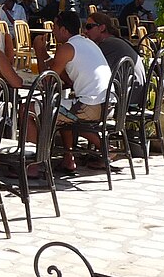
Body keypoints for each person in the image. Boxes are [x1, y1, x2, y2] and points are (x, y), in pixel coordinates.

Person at [33, 10, 112, 174]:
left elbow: (46, 81)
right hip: (106, 104)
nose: (52, 31)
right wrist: (46, 55)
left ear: (63, 30)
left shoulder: (67, 48)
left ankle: (33, 163)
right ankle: (69, 159)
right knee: (63, 109)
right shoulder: (87, 43)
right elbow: (67, 78)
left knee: (28, 109)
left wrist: (39, 51)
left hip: (90, 108)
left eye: (55, 27)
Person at [83, 12, 145, 89]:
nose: (85, 31)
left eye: (89, 27)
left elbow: (92, 73)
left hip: (128, 93)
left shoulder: (108, 44)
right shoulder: (114, 41)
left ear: (102, 28)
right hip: (134, 90)